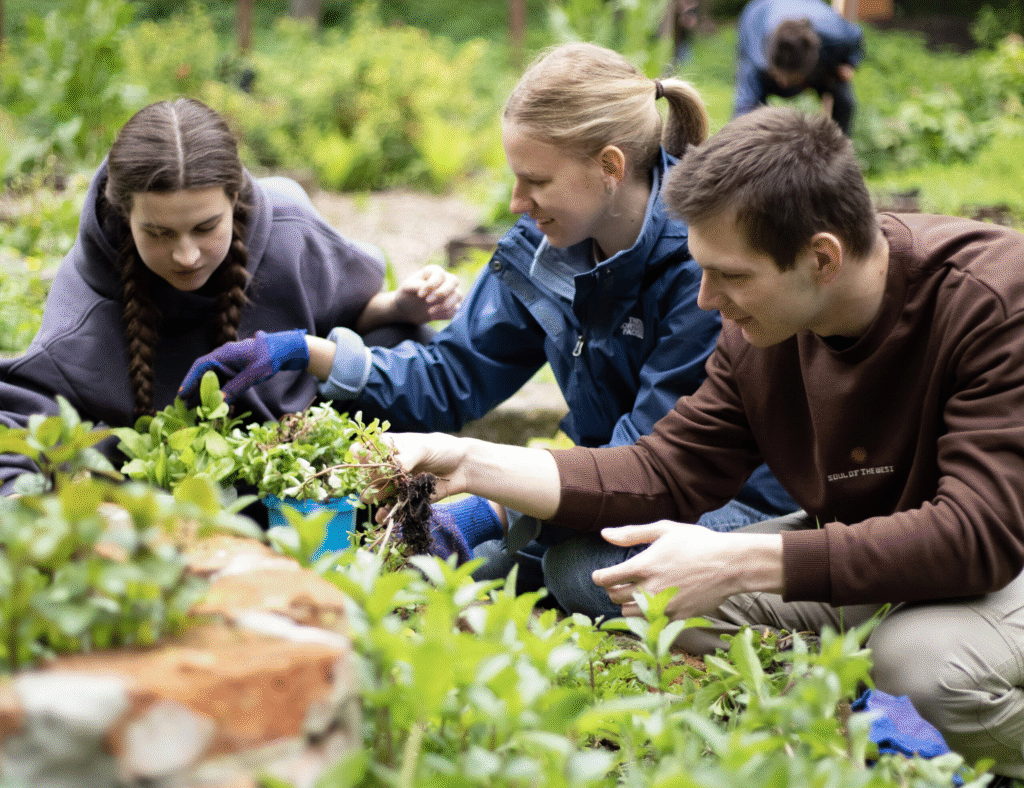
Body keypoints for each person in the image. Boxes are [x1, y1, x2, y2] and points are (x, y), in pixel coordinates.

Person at [373, 106, 1024, 779]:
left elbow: (979, 535)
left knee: (920, 664)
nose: (708, 300)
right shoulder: (760, 333)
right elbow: (666, 470)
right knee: (648, 593)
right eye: (701, 270)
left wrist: (740, 562)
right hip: (882, 538)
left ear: (821, 258)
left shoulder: (992, 300)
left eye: (732, 276)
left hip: (1008, 554)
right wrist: (468, 461)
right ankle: (852, 724)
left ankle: (937, 716)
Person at [179, 43, 797, 610]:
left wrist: (495, 509)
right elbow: (452, 377)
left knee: (580, 572)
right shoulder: (544, 246)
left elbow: (651, 468)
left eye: (536, 180)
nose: (516, 202)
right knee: (434, 582)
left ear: (610, 166)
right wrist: (303, 351)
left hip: (721, 502)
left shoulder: (700, 268)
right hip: (594, 484)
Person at [0, 97, 460, 494]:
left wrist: (401, 305)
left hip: (302, 466)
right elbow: (23, 415)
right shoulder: (88, 300)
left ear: (234, 201)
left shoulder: (286, 228)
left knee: (404, 340)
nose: (185, 256)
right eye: (158, 233)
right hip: (169, 494)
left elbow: (346, 317)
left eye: (205, 228)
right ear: (125, 216)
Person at [734, 0, 864, 134]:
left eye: (792, 79)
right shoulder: (755, 44)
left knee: (844, 101)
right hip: (759, 20)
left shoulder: (836, 35)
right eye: (778, 76)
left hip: (820, 53)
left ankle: (839, 148)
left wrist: (849, 63)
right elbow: (744, 105)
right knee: (748, 114)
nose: (783, 83)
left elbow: (855, 37)